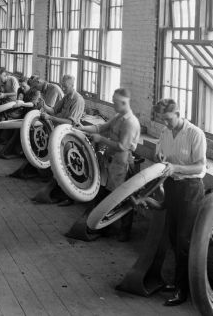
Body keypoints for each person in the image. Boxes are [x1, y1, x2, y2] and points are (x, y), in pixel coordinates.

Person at [153, 98, 206, 307]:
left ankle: (183, 290)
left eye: (168, 119)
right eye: (162, 120)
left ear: (178, 114)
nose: (165, 123)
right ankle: (177, 282)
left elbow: (199, 166)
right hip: (173, 187)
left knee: (184, 241)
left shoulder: (195, 134)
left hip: (191, 189)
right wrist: (159, 158)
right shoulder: (166, 132)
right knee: (174, 237)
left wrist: (176, 168)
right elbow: (161, 154)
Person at [79, 88, 141, 241]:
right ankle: (104, 227)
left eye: (115, 102)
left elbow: (122, 146)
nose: (113, 105)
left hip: (123, 163)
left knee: (124, 197)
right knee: (106, 195)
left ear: (124, 102)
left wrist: (101, 139)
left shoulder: (130, 122)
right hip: (112, 162)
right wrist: (81, 128)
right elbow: (101, 127)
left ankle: (124, 231)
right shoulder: (119, 116)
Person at [31, 74, 85, 204]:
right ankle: (58, 189)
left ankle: (68, 195)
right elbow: (54, 110)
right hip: (60, 133)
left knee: (66, 164)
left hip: (71, 136)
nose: (62, 88)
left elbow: (70, 122)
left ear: (72, 85)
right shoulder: (66, 97)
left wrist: (52, 119)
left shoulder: (78, 100)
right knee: (58, 162)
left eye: (65, 86)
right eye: (62, 85)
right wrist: (44, 106)